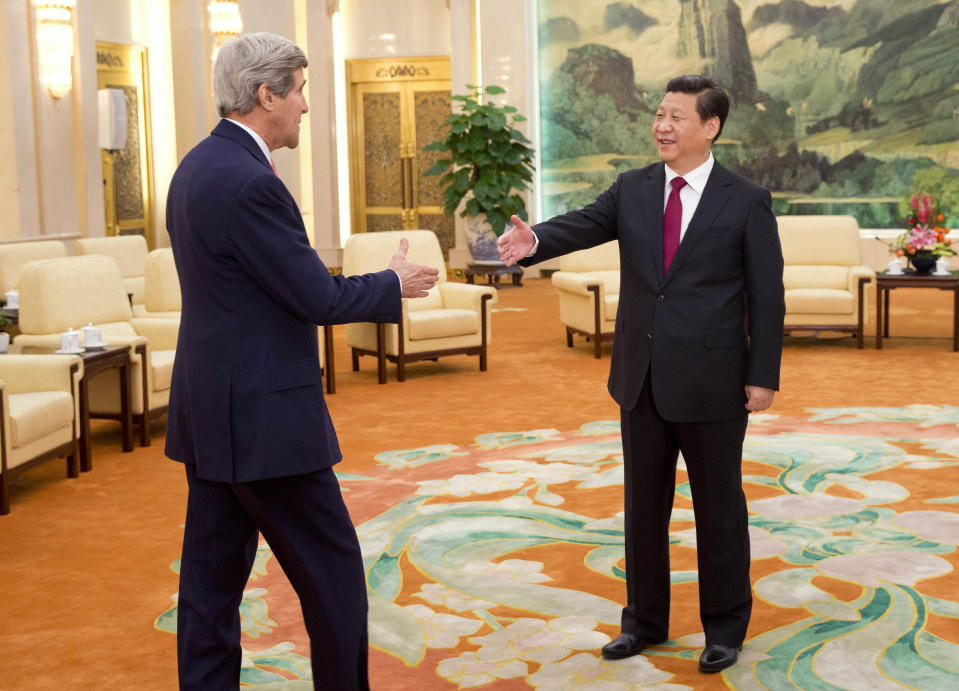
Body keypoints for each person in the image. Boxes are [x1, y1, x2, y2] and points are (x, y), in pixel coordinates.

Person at [164, 32, 438, 690]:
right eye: (300, 90)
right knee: (336, 577)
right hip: (265, 421)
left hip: (210, 411)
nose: (306, 107)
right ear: (266, 95)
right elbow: (314, 294)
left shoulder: (195, 167)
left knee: (210, 584)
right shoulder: (251, 183)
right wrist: (390, 282)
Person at [498, 75, 785, 674]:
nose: (662, 125)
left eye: (677, 116)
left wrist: (763, 375)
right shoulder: (633, 188)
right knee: (643, 508)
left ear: (710, 128)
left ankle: (725, 628)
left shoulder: (746, 198)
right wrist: (534, 241)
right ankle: (645, 622)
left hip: (713, 380)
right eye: (659, 114)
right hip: (642, 376)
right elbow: (581, 224)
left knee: (719, 510)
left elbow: (767, 294)